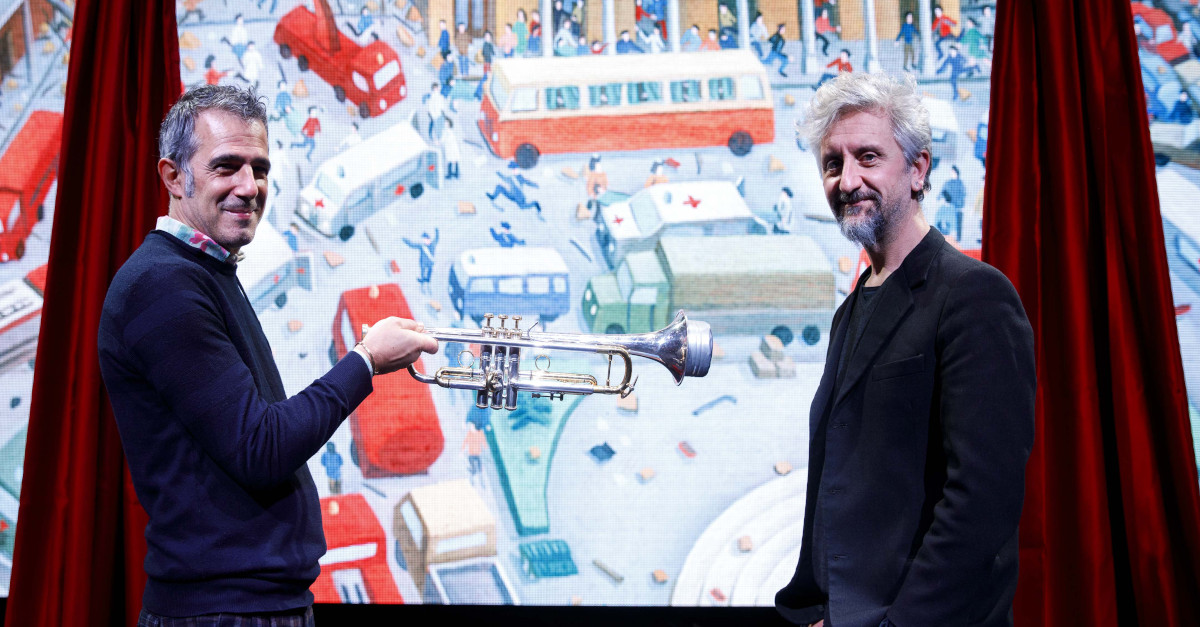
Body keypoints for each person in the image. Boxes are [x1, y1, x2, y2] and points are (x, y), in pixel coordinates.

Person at [98, 85, 438, 624]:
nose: (249, 186)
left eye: (259, 169)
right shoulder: (164, 285)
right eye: (226, 167)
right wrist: (365, 361)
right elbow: (260, 448)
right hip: (225, 613)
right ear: (173, 177)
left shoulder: (202, 271)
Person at [775, 72, 1035, 627]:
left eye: (867, 157)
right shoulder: (851, 310)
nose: (847, 180)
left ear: (918, 170)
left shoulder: (975, 295)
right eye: (832, 163)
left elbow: (980, 504)